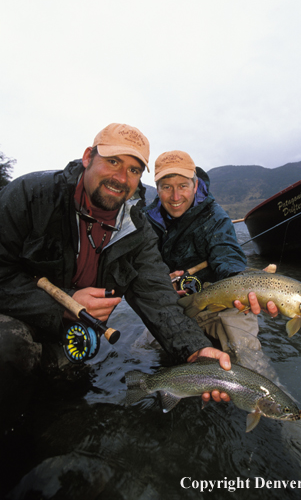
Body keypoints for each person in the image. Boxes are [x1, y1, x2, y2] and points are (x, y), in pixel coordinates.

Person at [0, 124, 232, 418]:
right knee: (7, 350)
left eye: (134, 170)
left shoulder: (137, 231)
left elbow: (159, 298)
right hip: (15, 319)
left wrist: (196, 350)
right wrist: (61, 305)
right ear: (87, 157)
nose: (121, 178)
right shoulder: (29, 196)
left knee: (62, 405)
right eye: (113, 162)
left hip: (72, 338)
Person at [144, 150, 278, 375]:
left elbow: (228, 254)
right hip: (174, 305)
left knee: (251, 364)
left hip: (224, 302)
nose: (176, 196)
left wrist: (239, 281)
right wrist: (159, 283)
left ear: (195, 185)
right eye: (167, 187)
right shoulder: (148, 221)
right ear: (157, 189)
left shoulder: (216, 217)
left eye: (183, 186)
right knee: (144, 352)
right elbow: (143, 267)